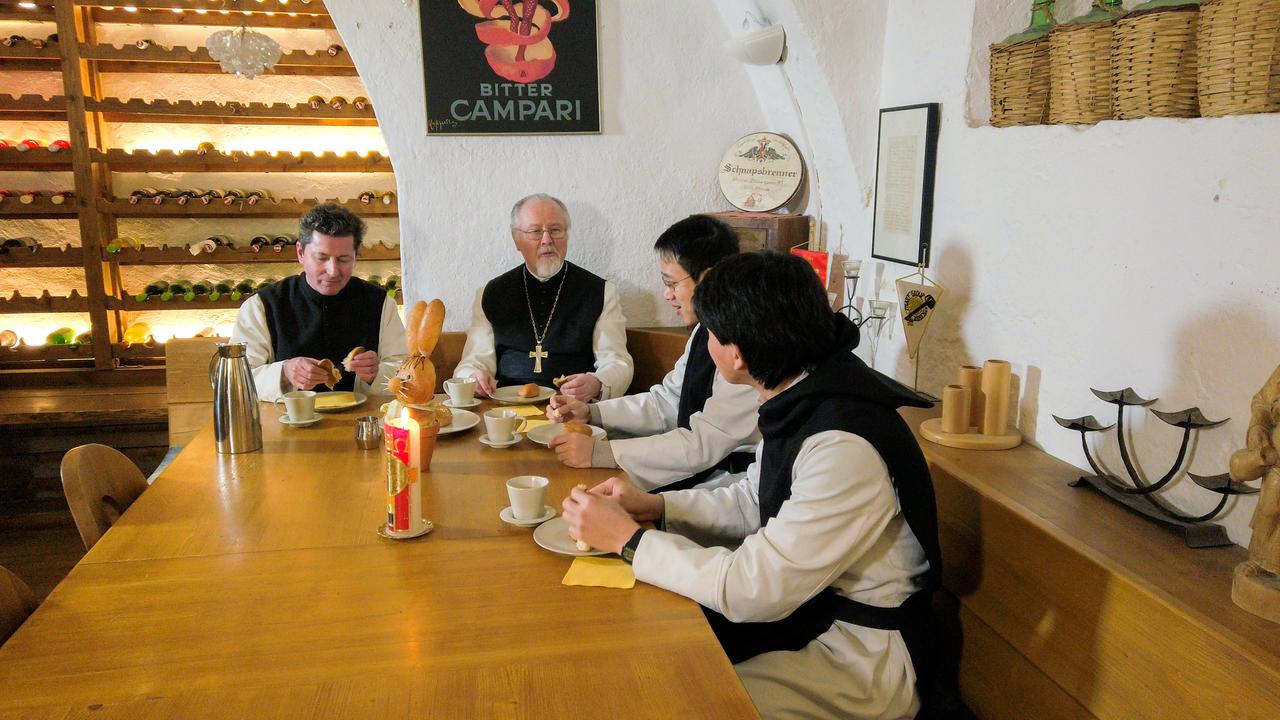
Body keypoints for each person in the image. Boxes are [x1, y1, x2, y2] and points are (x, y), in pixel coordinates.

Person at [562, 251, 942, 719]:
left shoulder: (843, 443)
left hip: (860, 658)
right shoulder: (803, 389)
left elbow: (754, 590)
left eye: (711, 336)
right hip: (806, 612)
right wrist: (656, 507)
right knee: (640, 659)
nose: (705, 346)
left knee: (671, 696)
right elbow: (755, 498)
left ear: (736, 354)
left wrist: (628, 541)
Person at [546, 215, 760, 490]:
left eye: (672, 283)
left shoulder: (744, 344)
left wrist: (601, 453)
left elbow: (702, 443)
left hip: (730, 484)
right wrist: (591, 413)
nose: (667, 295)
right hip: (697, 468)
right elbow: (668, 402)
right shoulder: (702, 331)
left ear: (708, 278)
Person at [454, 194, 632, 402]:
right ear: (516, 240)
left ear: (566, 236)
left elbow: (617, 361)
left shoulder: (600, 292)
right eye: (535, 231)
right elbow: (474, 362)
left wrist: (597, 383)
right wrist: (474, 378)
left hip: (572, 409)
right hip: (505, 410)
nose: (547, 240)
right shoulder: (492, 293)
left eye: (555, 230)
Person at [231, 203, 407, 402]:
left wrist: (376, 373)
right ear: (300, 253)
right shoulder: (261, 306)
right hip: (285, 426)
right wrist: (284, 372)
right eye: (321, 258)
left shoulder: (381, 303)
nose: (333, 271)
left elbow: (406, 373)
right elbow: (237, 380)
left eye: (343, 259)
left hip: (363, 424)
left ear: (356, 256)